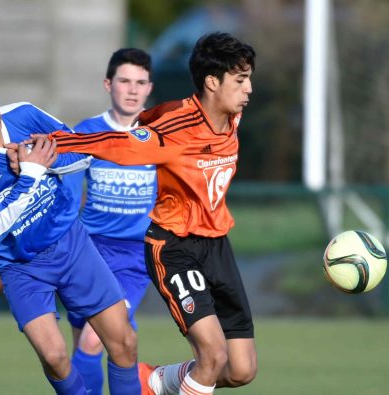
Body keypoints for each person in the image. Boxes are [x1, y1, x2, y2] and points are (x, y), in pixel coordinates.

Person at [42, 31, 258, 395]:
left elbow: (152, 115)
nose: (249, 88)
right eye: (240, 80)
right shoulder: (177, 129)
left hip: (217, 247)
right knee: (212, 357)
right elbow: (121, 145)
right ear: (211, 82)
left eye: (248, 78)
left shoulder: (231, 118)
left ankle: (151, 380)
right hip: (174, 248)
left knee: (241, 370)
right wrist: (55, 143)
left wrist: (147, 117)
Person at [0, 70, 141, 394]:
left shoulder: (24, 115)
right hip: (21, 267)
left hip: (71, 242)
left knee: (123, 341)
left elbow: (82, 152)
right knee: (54, 357)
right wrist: (30, 174)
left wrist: (45, 162)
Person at [62, 47, 156, 395]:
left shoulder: (161, 135)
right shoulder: (87, 133)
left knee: (93, 340)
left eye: (140, 82)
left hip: (134, 259)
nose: (132, 89)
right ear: (108, 84)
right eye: (124, 81)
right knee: (81, 346)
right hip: (86, 253)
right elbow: (68, 197)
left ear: (149, 87)